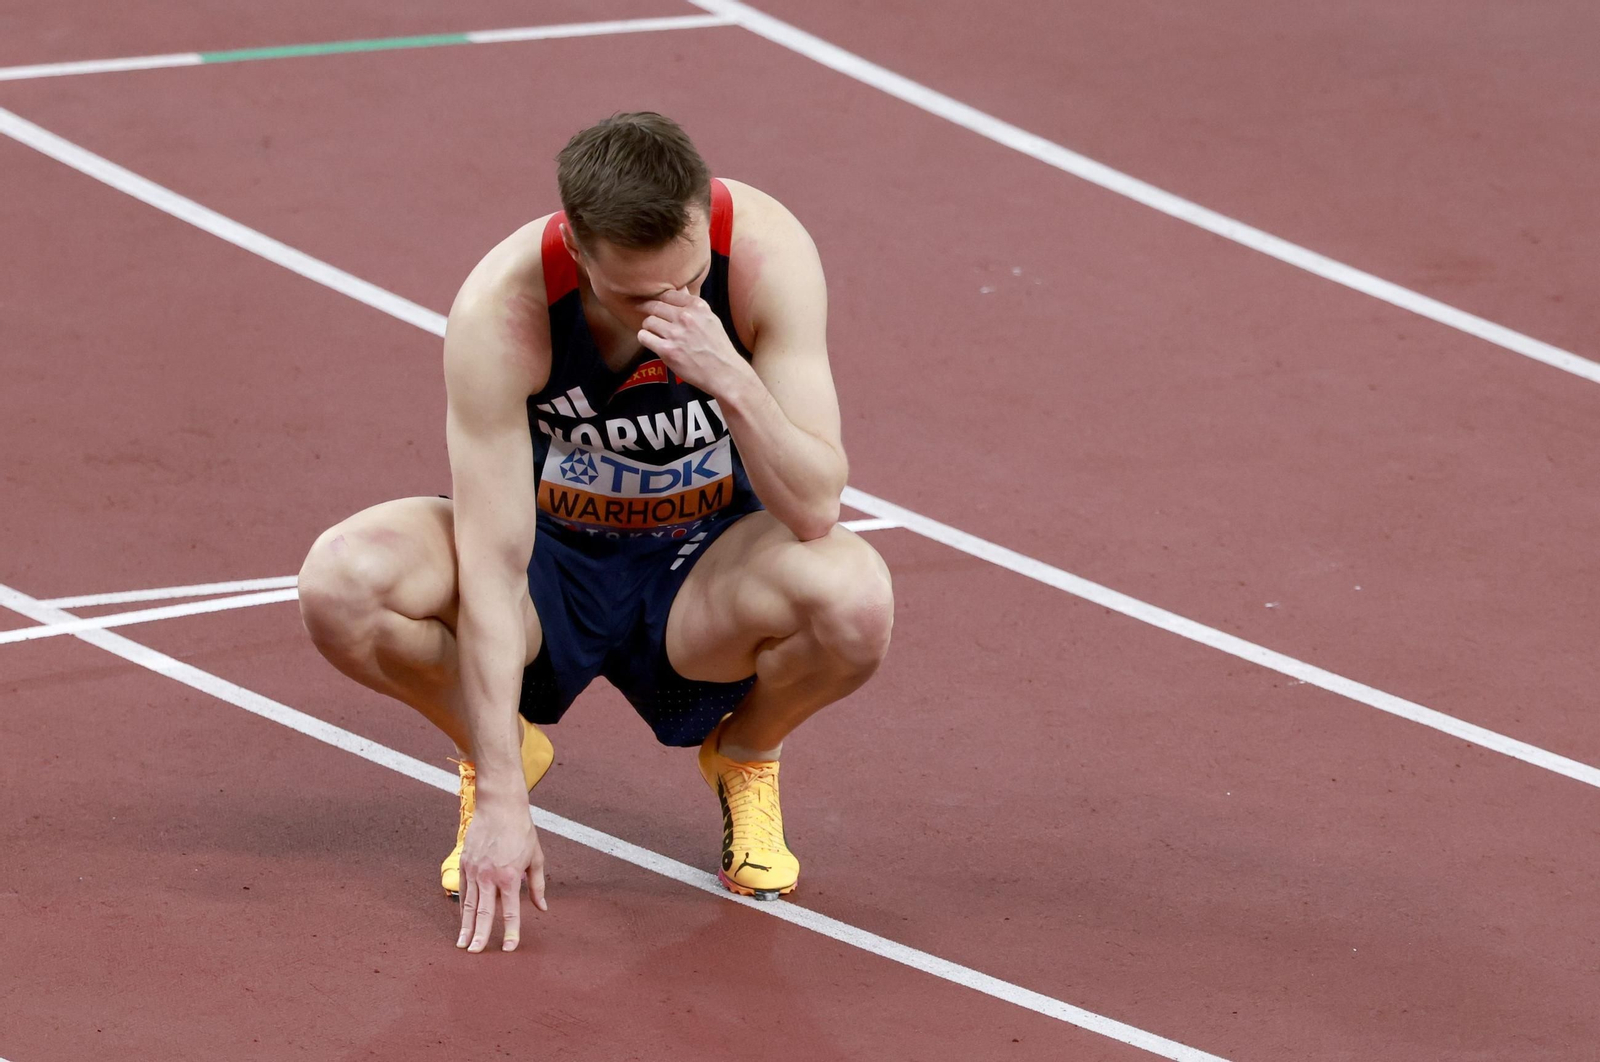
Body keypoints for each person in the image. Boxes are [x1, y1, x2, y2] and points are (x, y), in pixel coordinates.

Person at [296, 112, 894, 954]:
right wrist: (503, 798)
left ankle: (746, 756)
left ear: (701, 218)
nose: (671, 311)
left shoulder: (765, 256)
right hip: (549, 565)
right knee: (342, 580)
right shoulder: (501, 310)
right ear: (576, 249)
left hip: (701, 566)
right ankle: (496, 747)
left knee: (857, 596)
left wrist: (730, 376)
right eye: (639, 297)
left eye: (686, 282)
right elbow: (496, 568)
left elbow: (813, 509)